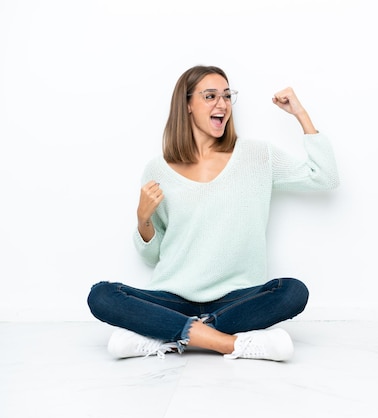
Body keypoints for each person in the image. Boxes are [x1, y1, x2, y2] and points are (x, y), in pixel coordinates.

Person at [87, 65, 339, 361]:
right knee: (101, 295)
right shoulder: (158, 170)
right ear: (187, 105)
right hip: (173, 297)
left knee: (293, 292)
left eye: (227, 96)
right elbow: (152, 256)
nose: (222, 104)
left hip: (236, 299)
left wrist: (301, 113)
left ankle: (168, 335)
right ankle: (229, 344)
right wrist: (142, 218)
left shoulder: (257, 156)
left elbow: (324, 177)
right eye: (210, 96)